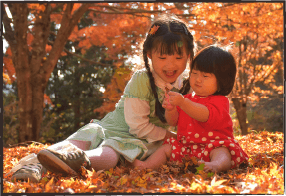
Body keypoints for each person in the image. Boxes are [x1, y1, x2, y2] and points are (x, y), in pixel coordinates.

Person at [9, 14, 195, 183]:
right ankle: (34, 164)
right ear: (149, 55)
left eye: (178, 57)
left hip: (140, 141)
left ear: (188, 56)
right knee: (78, 141)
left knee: (112, 154)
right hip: (113, 127)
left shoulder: (187, 85)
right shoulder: (142, 79)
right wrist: (170, 136)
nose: (171, 65)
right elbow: (138, 125)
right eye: (162, 57)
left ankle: (81, 160)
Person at [132, 45, 249, 173]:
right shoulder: (187, 99)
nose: (198, 79)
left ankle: (215, 166)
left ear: (222, 80)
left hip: (212, 146)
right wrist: (171, 110)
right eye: (194, 73)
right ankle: (146, 165)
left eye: (205, 76)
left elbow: (205, 115)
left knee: (222, 152)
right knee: (167, 148)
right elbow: (172, 122)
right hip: (187, 150)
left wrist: (183, 103)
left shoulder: (220, 101)